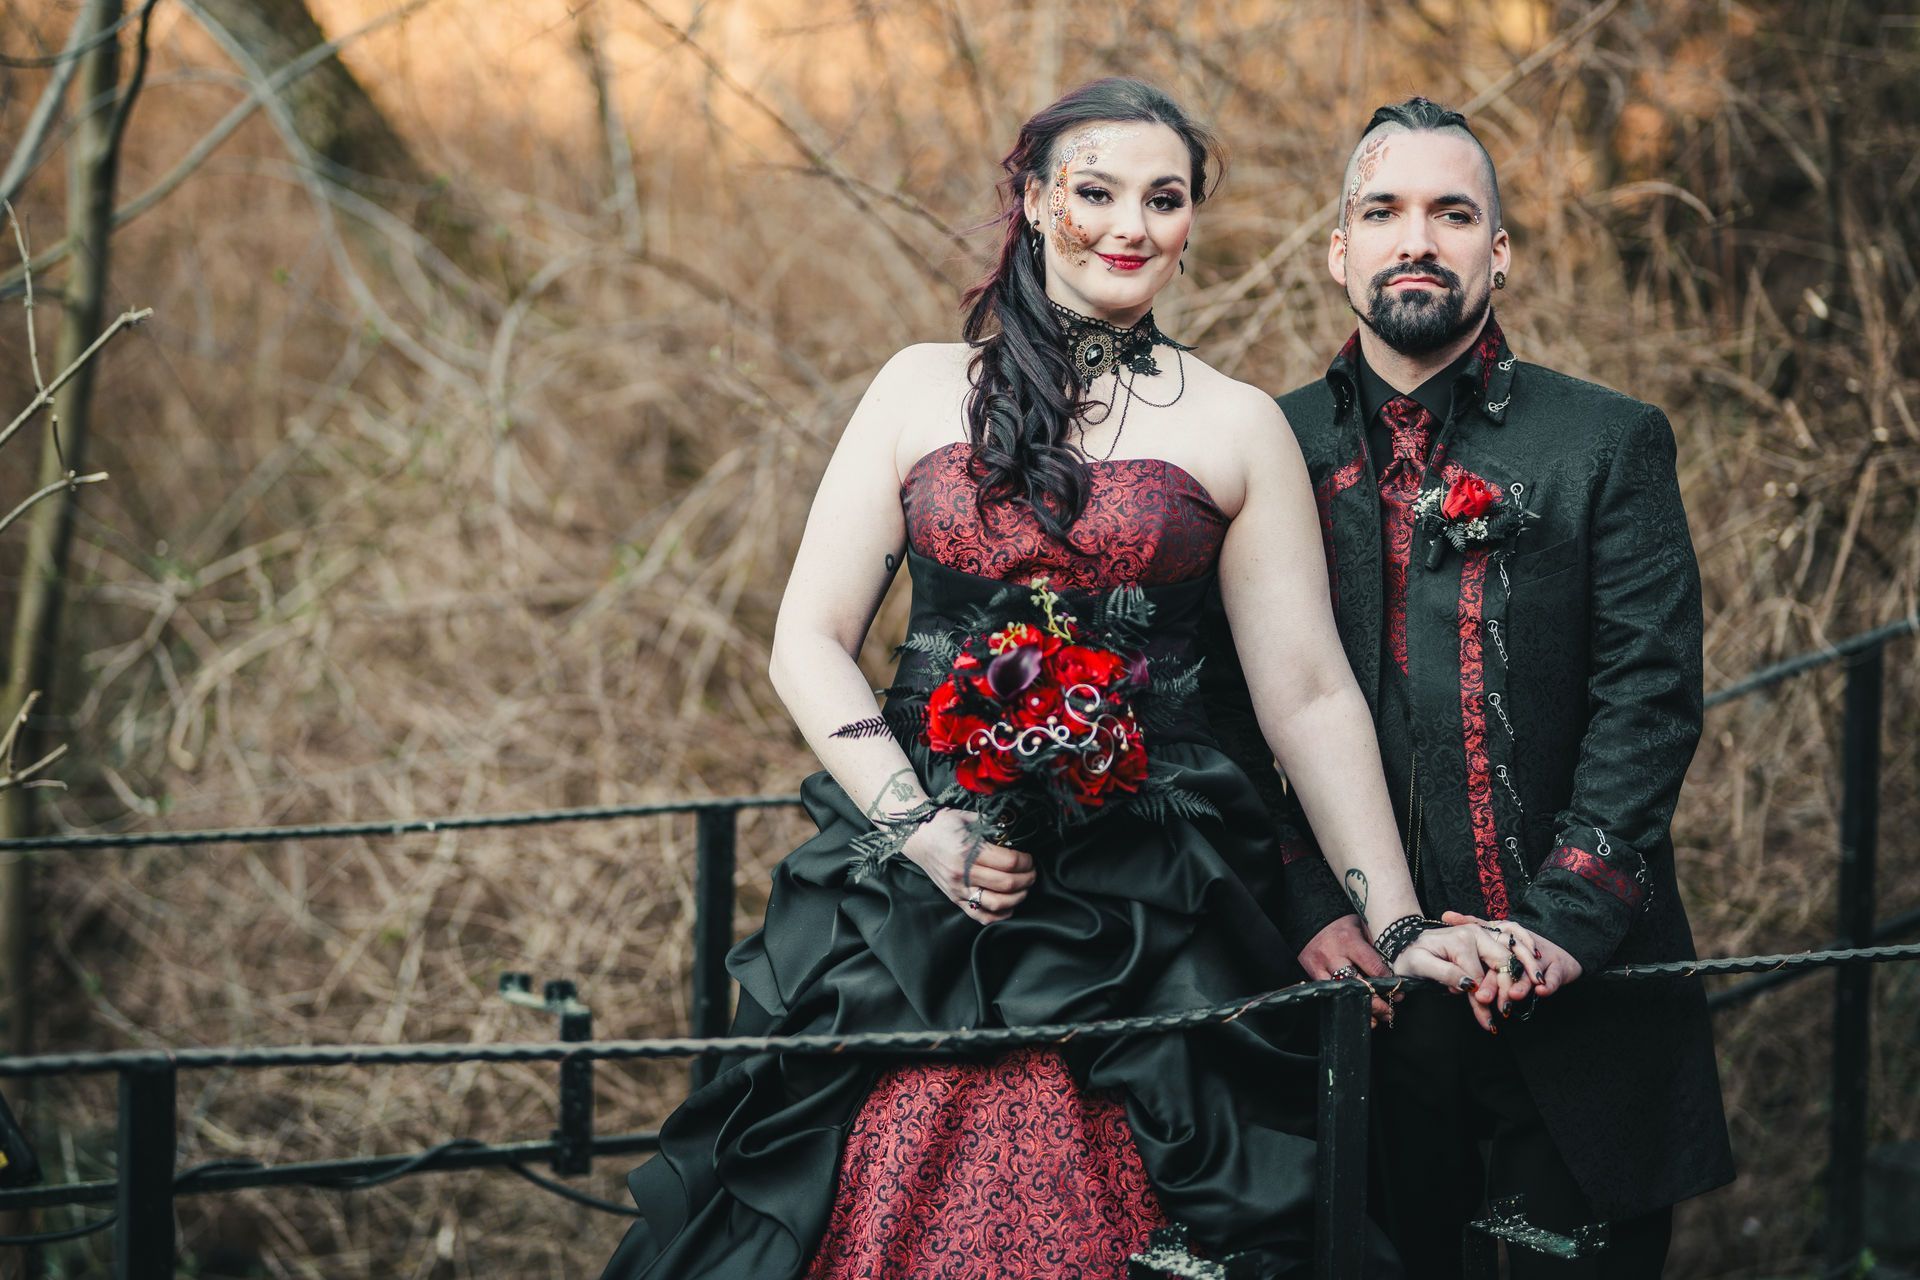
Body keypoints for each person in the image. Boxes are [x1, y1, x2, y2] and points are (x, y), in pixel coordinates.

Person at [601, 79, 1539, 1280]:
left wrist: (1398, 918)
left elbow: (1305, 693)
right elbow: (808, 638)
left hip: (1150, 890)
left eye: (1165, 198)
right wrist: (920, 828)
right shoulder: (915, 387)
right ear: (1036, 200)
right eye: (1097, 192)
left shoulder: (1237, 423)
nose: (1129, 226)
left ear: (1194, 221)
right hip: (922, 887)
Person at [1216, 98, 1736, 1277]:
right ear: (1338, 249)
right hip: (1353, 1007)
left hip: (1571, 995)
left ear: (1495, 250)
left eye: (1453, 213)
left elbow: (1648, 698)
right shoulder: (1262, 449)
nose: (1418, 237)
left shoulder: (1605, 443)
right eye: (1383, 211)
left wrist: (1560, 925)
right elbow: (1229, 715)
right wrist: (1307, 907)